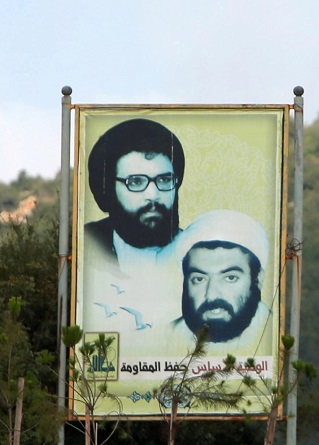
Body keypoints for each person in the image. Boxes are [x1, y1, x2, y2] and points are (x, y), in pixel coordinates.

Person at [84, 118, 185, 275]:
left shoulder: (197, 250)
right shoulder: (85, 244)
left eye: (164, 180)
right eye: (136, 182)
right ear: (109, 189)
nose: (153, 195)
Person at [170, 210, 271, 349]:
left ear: (258, 279)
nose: (211, 295)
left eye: (230, 278)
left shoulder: (275, 336)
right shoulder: (166, 338)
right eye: (199, 279)